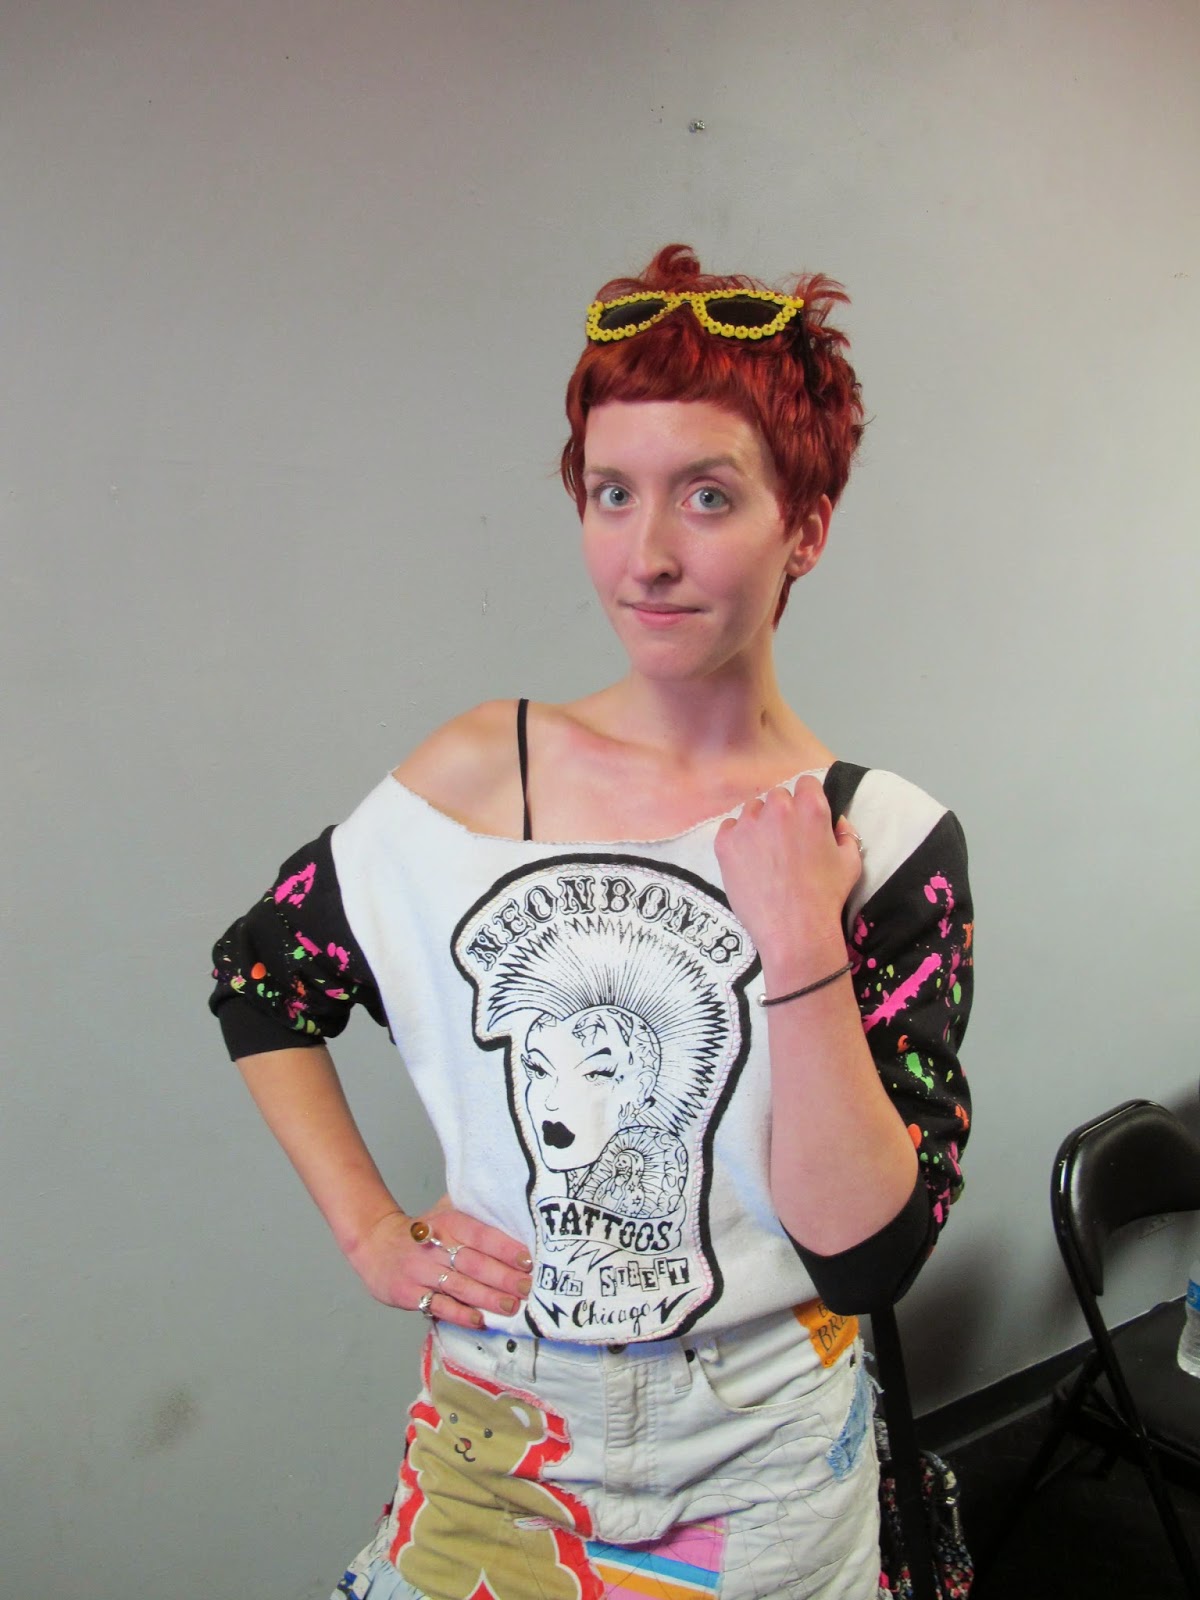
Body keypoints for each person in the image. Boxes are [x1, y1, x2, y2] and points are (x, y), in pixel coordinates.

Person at [209, 244, 974, 1600]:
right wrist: (373, 1231)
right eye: (613, 493)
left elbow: (865, 1258)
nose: (649, 555)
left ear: (806, 527)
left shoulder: (886, 840)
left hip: (767, 1459)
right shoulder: (473, 780)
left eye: (708, 496)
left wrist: (802, 947)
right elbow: (262, 980)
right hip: (503, 1430)